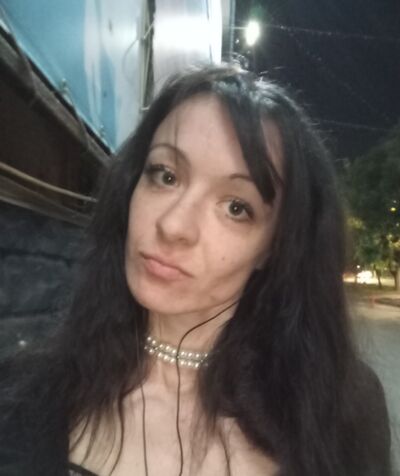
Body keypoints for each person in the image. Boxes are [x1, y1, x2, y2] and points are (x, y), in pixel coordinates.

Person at [0, 64, 392, 476]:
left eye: (236, 207)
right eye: (165, 175)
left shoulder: (338, 412)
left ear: (275, 247)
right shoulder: (24, 392)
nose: (173, 226)